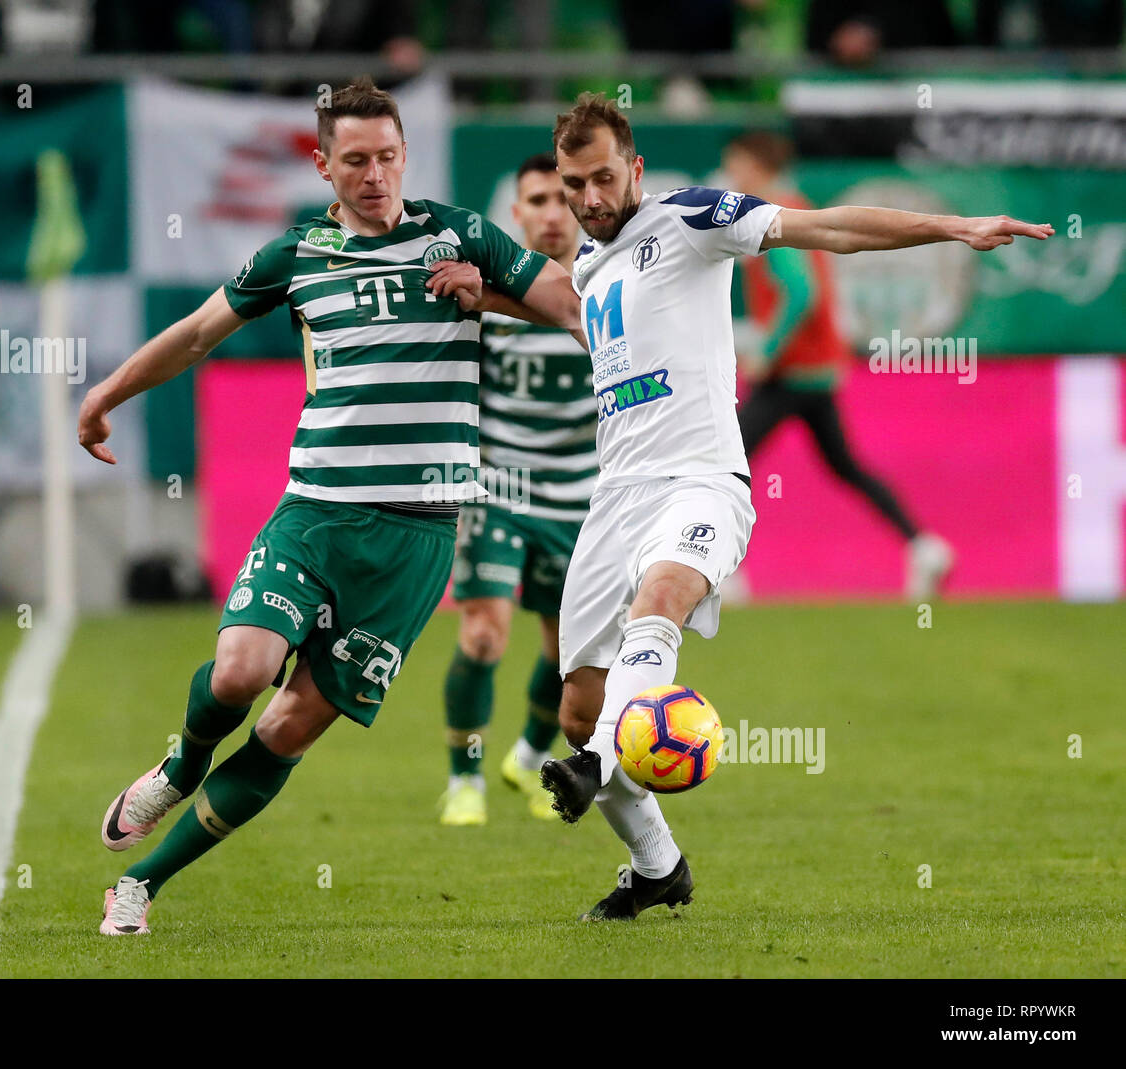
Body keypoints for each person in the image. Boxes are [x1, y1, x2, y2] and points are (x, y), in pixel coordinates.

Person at [77, 77, 580, 936]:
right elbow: (199, 333)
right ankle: (180, 765)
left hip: (418, 540)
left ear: (405, 154)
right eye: (356, 160)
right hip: (316, 511)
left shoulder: (464, 234)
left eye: (388, 155)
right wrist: (106, 395)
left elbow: (571, 307)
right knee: (238, 672)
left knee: (290, 724)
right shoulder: (296, 256)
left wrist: (487, 292)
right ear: (323, 165)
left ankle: (142, 886)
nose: (376, 173)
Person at [534, 93, 1053, 920]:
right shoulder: (592, 268)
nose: (591, 199)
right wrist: (477, 293)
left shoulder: (692, 217)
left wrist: (952, 228)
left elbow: (831, 230)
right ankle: (658, 864)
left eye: (604, 178)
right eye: (574, 185)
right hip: (614, 499)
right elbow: (558, 309)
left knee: (660, 601)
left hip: (702, 481)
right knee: (577, 707)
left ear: (633, 168)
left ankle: (599, 759)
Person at [722, 130, 954, 600]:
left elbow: (802, 292)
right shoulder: (796, 206)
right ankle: (923, 546)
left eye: (735, 165)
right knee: (845, 467)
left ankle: (724, 573)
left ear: (754, 164)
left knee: (727, 463)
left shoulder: (774, 220)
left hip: (793, 371)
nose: (730, 175)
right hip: (817, 372)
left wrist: (767, 351)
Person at [439, 153, 596, 826]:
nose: (553, 213)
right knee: (483, 635)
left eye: (564, 199)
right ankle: (464, 777)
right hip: (498, 487)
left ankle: (529, 757)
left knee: (570, 655)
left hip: (584, 498)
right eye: (538, 200)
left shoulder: (607, 286)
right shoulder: (489, 295)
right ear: (517, 214)